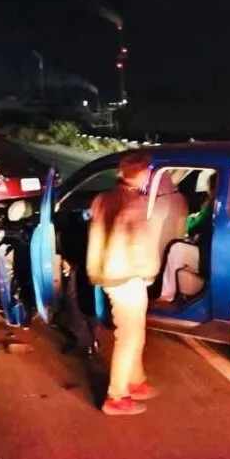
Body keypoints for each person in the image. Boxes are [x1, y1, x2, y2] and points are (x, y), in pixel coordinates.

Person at [86, 152, 160, 416]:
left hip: (108, 273)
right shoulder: (134, 203)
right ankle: (116, 396)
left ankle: (135, 380)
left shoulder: (102, 199)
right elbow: (140, 246)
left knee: (134, 331)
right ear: (141, 174)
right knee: (129, 335)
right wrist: (150, 273)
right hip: (128, 276)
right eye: (148, 172)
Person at [156, 172, 218, 305]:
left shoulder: (213, 204)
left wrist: (189, 220)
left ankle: (167, 294)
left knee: (177, 249)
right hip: (213, 253)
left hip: (210, 256)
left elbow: (194, 226)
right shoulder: (219, 203)